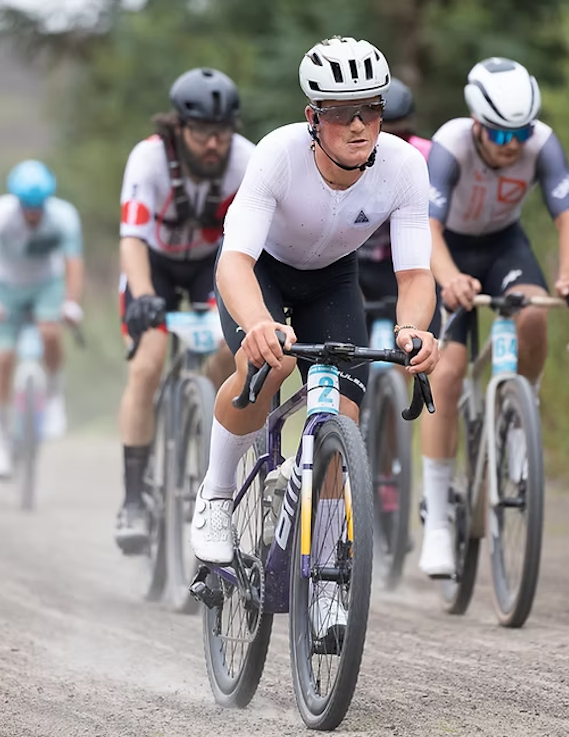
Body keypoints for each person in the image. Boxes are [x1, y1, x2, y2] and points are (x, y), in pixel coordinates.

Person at [188, 36, 439, 641]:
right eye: (341, 112)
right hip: (261, 271)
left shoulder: (405, 167)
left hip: (333, 280)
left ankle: (326, 578)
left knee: (342, 416)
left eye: (371, 110)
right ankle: (217, 495)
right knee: (268, 368)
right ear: (313, 118)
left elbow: (414, 274)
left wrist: (413, 329)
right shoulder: (277, 155)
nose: (358, 126)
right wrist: (256, 326)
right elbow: (233, 264)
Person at [418, 57, 569, 577]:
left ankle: (521, 414)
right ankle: (437, 523)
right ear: (476, 122)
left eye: (520, 130)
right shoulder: (450, 144)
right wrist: (448, 278)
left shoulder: (542, 142)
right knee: (446, 375)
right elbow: (424, 229)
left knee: (536, 312)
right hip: (445, 250)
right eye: (499, 132)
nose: (512, 142)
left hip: (502, 248)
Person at [114, 67, 254, 553]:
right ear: (179, 128)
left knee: (227, 355)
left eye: (221, 133)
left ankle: (216, 459)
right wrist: (144, 295)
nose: (213, 144)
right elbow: (132, 239)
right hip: (152, 265)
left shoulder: (247, 160)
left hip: (209, 267)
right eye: (201, 133)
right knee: (147, 364)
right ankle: (133, 498)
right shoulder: (149, 158)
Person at [0, 159, 84, 479]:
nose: (33, 213)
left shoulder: (63, 217)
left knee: (50, 334)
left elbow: (73, 263)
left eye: (39, 207)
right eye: (27, 207)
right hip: (5, 286)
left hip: (46, 285)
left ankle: (53, 397)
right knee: (2, 358)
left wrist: (71, 303)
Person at [357, 78, 433, 315]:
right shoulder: (346, 156)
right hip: (353, 262)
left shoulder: (428, 156)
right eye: (383, 135)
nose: (393, 146)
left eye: (402, 135)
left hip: (399, 261)